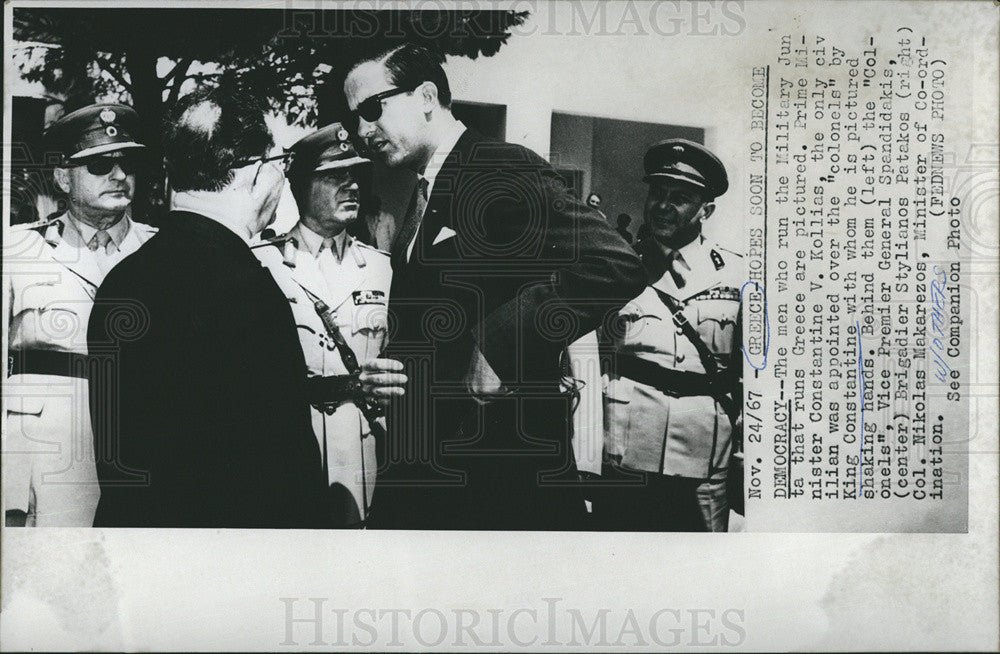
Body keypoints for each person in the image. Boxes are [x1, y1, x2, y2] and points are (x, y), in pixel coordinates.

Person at [342, 43, 646, 530]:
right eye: (354, 116)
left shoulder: (499, 166)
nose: (362, 130)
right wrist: (395, 374)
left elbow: (613, 262)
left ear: (425, 96)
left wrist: (503, 345)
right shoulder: (428, 187)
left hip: (498, 472)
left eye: (373, 109)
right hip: (433, 466)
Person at [87, 86, 331, 527]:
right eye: (279, 163)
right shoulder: (248, 286)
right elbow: (282, 462)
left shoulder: (123, 280)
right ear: (255, 172)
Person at [4, 104, 156, 527]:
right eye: (100, 163)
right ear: (61, 177)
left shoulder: (161, 251)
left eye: (127, 163)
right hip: (50, 451)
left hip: (141, 445)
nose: (118, 174)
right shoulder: (18, 251)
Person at [252, 123, 405, 527]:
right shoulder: (263, 263)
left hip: (363, 451)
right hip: (293, 447)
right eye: (335, 176)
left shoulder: (381, 267)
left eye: (355, 176)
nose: (352, 186)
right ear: (300, 186)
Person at [598, 138, 742, 532]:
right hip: (626, 452)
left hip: (705, 458)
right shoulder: (616, 267)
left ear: (706, 209)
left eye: (679, 198)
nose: (663, 205)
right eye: (658, 193)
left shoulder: (737, 276)